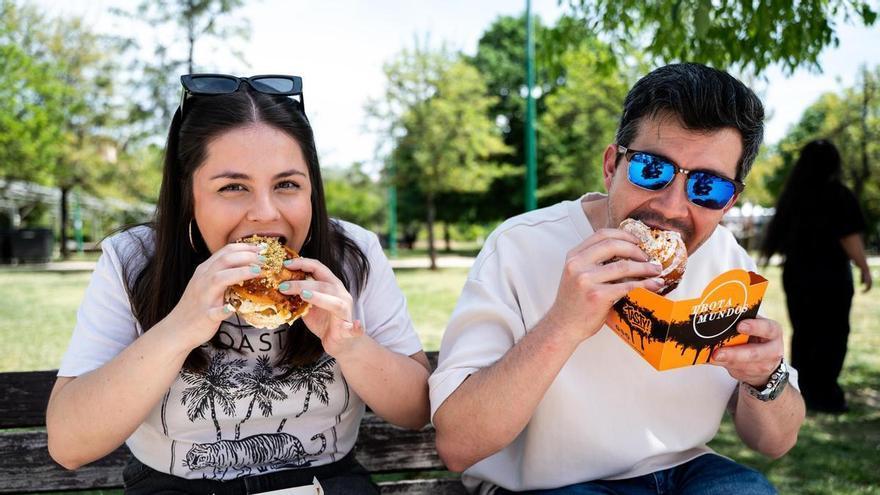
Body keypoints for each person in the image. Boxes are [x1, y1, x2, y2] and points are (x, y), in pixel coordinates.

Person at [429, 63, 806, 494]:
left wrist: (766, 377)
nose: (671, 207)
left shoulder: (730, 263)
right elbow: (457, 444)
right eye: (652, 169)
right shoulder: (519, 246)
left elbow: (776, 442)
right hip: (552, 484)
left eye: (708, 187)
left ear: (729, 202)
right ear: (612, 166)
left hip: (688, 470)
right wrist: (564, 324)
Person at [46, 74, 430, 494]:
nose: (265, 213)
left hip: (325, 482)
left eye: (287, 185)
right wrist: (179, 328)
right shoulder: (134, 259)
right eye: (233, 187)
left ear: (312, 191)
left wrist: (351, 345)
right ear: (188, 194)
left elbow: (416, 410)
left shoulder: (353, 254)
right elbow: (69, 445)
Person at [761, 139, 872, 414]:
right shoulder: (839, 194)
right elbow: (850, 237)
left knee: (804, 332)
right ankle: (825, 393)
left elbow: (777, 237)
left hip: (798, 275)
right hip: (831, 276)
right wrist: (864, 268)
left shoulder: (794, 195)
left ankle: (803, 391)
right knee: (833, 333)